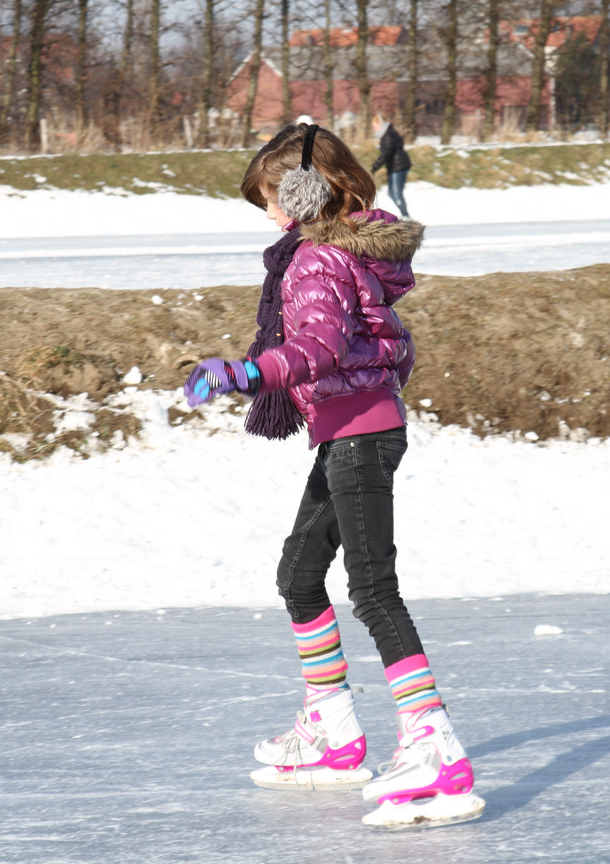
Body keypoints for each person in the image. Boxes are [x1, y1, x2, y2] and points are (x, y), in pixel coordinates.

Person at [182, 123, 485, 830]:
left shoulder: (317, 260)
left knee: (373, 589)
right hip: (352, 432)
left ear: (305, 194)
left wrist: (247, 372)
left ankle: (434, 746)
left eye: (272, 199)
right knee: (298, 576)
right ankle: (333, 731)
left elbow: (316, 348)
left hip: (361, 434)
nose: (268, 214)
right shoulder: (339, 253)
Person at [370, 118, 411, 218]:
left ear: (380, 124)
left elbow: (387, 154)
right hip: (393, 167)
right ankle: (404, 214)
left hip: (399, 165)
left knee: (396, 193)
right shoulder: (386, 134)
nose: (374, 129)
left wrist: (375, 167)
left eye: (375, 126)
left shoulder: (388, 135)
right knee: (391, 193)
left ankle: (406, 216)